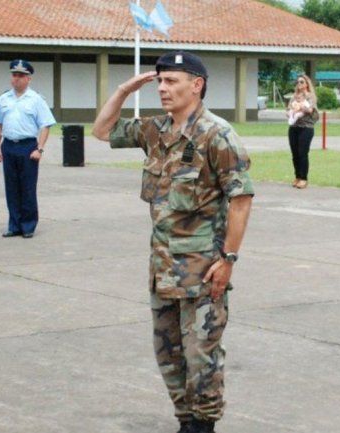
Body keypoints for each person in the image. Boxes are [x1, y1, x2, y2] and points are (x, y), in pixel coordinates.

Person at [92, 51, 254, 433]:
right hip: (162, 268)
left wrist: (228, 258)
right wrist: (122, 90)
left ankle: (204, 424)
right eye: (160, 81)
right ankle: (185, 421)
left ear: (196, 85)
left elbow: (241, 199)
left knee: (202, 355)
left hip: (203, 270)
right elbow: (101, 131)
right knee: (168, 354)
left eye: (171, 81)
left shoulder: (218, 134)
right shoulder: (156, 130)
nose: (162, 88)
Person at [0, 59, 56, 239]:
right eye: (14, 75)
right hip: (9, 146)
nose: (17, 79)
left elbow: (46, 125)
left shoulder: (36, 100)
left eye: (21, 76)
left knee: (27, 188)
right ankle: (14, 225)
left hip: (28, 147)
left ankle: (28, 225)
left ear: (29, 79)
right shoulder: (3, 99)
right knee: (11, 188)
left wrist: (40, 149)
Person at [286, 74, 317, 189]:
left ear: (307, 84)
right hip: (294, 127)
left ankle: (304, 178)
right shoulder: (294, 97)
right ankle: (297, 176)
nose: (299, 84)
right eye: (298, 82)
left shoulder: (310, 96)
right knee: (294, 154)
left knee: (302, 153)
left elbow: (310, 110)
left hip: (306, 128)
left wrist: (301, 107)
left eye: (302, 82)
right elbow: (288, 109)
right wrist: (290, 112)